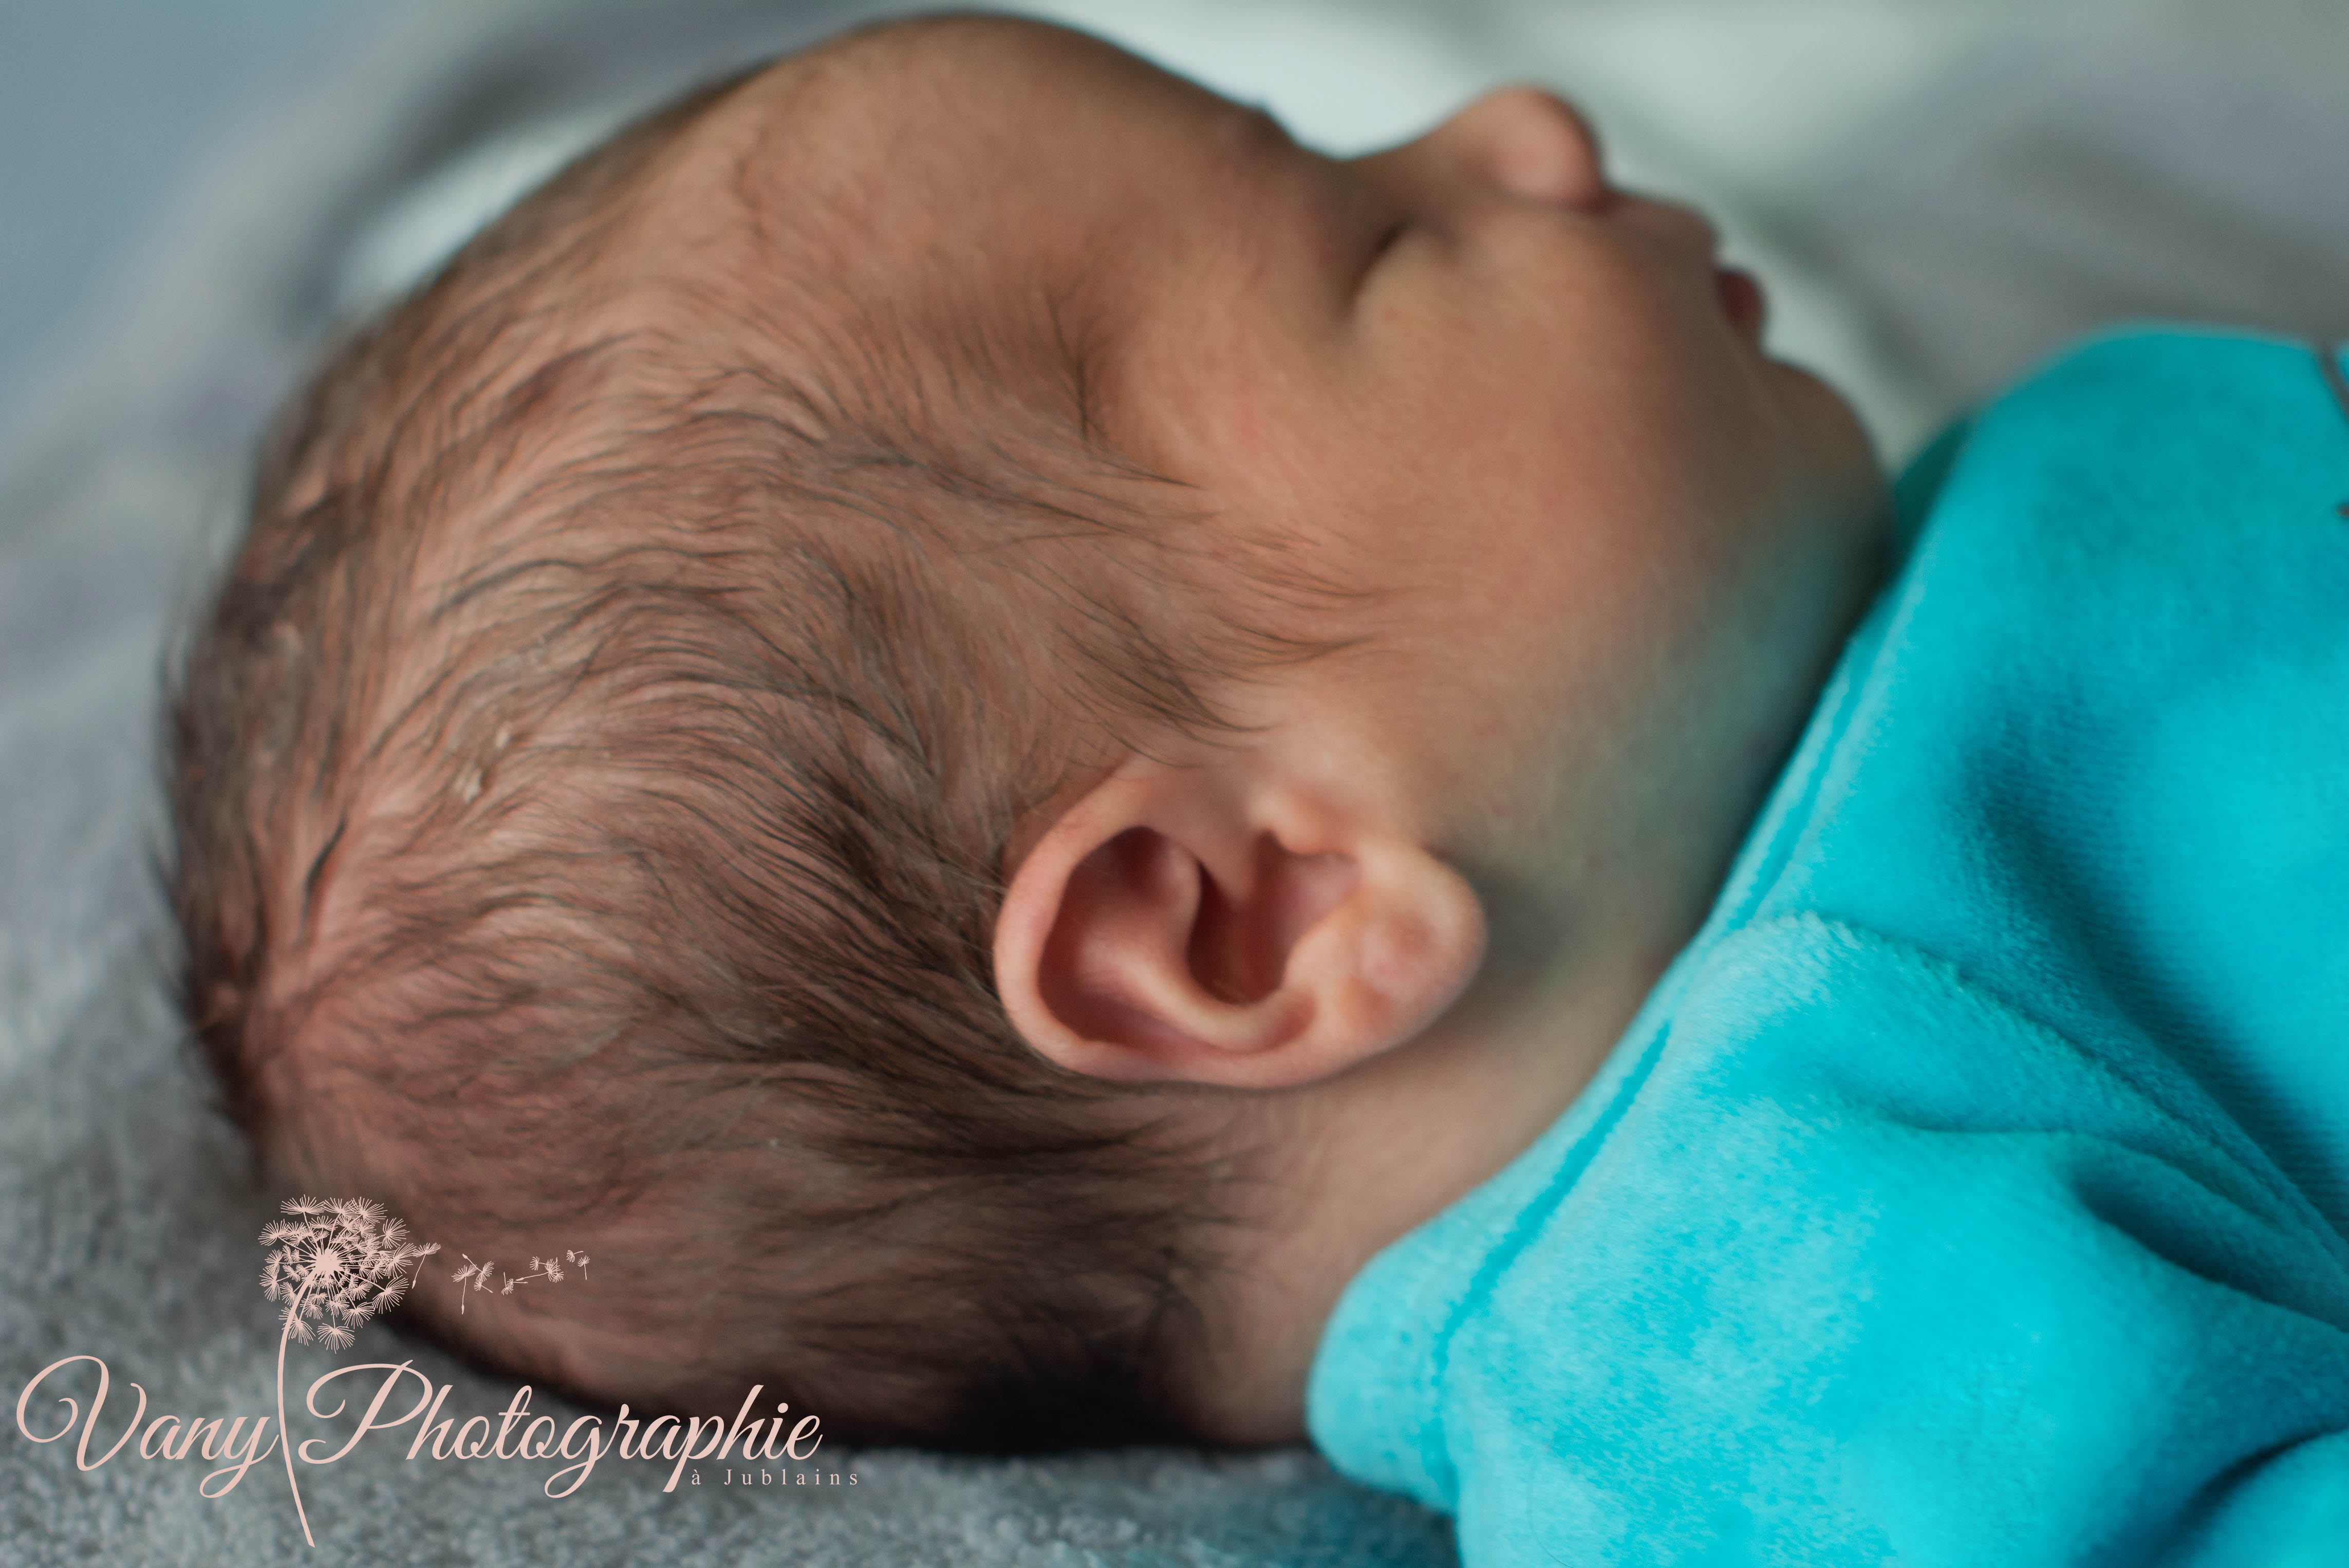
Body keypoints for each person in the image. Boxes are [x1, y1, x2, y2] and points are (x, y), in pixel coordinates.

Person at [167, 12, 2349, 1559]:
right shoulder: (1746, 1334)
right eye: (1373, 246)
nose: (1519, 128)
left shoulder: (1888, 654)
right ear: (1255, 915)